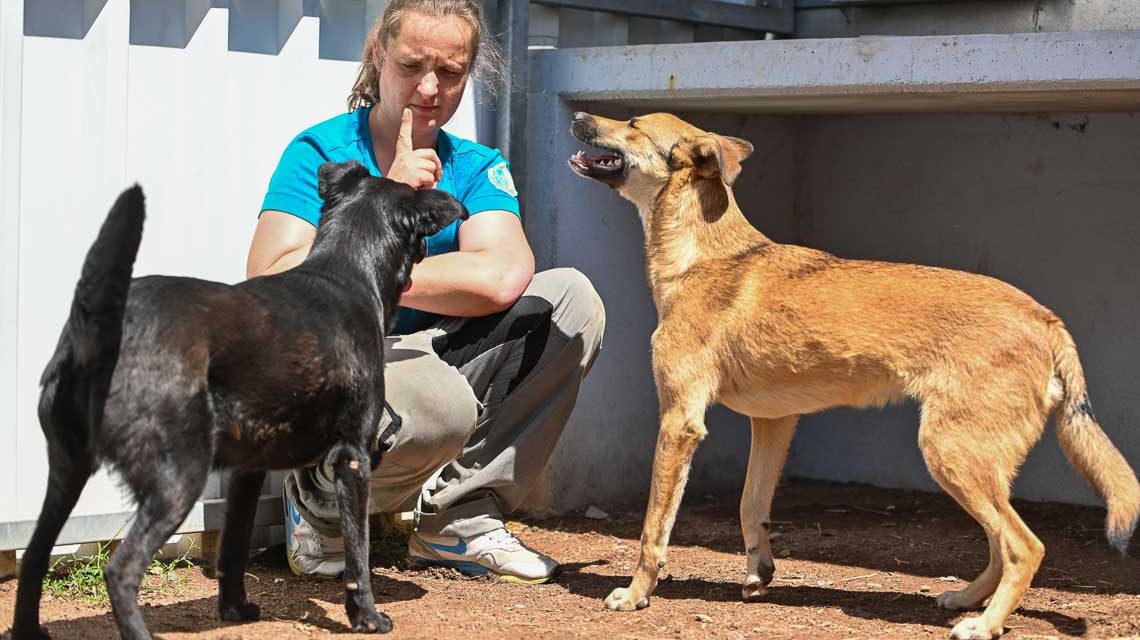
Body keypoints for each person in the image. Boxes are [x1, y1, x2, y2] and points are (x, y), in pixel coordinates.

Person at [245, 0, 604, 584]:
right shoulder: (322, 151)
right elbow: (270, 279)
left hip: (423, 357)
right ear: (377, 55)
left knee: (570, 303)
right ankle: (321, 506)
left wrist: (381, 274)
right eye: (411, 66)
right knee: (441, 400)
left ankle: (458, 518)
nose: (430, 88)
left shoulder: (477, 165)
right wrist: (385, 200)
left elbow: (503, 276)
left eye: (451, 72)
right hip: (338, 360)